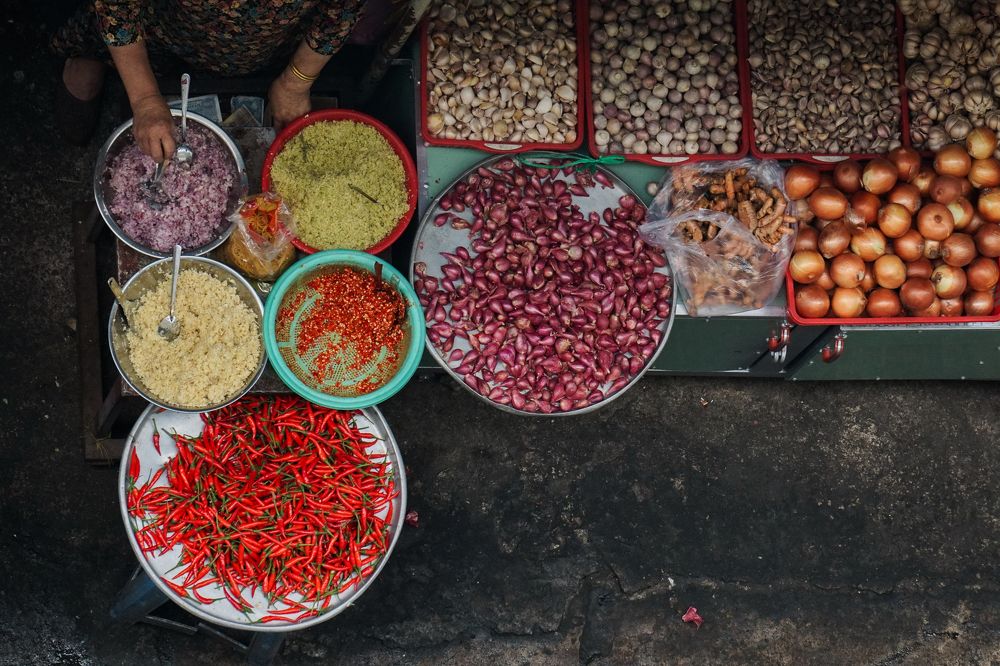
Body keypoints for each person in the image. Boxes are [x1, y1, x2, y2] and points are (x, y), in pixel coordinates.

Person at [51, 1, 366, 158]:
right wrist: (145, 100)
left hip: (270, 35)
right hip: (164, 21)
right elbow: (117, 9)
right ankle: (91, 58)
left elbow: (343, 9)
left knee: (256, 66)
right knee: (101, 51)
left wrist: (296, 82)